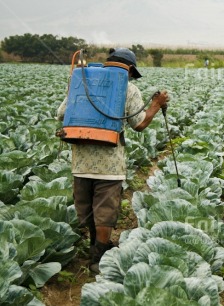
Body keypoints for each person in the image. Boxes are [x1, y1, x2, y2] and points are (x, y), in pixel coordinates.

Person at [56, 48, 169, 273]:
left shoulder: (83, 81)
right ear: (128, 70)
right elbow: (138, 124)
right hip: (110, 164)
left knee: (86, 209)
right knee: (105, 211)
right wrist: (156, 105)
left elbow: (61, 114)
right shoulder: (128, 88)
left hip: (81, 162)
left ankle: (95, 246)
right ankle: (98, 257)